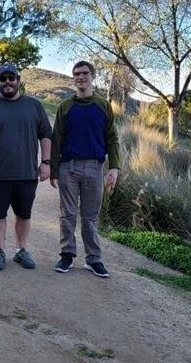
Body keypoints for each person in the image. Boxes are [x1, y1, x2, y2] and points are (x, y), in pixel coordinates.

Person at [0, 64, 52, 270]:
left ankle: (21, 250)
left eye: (11, 78)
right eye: (3, 79)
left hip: (26, 174)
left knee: (24, 214)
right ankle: (0, 251)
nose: (7, 82)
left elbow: (46, 135)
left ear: (19, 80)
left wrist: (46, 162)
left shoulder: (34, 106)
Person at [49, 60, 120, 278]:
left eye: (84, 73)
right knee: (67, 214)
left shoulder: (103, 106)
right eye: (77, 74)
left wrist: (114, 168)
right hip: (68, 168)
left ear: (92, 76)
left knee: (90, 217)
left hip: (94, 167)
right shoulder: (65, 107)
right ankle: (67, 255)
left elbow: (112, 138)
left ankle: (94, 259)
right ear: (73, 78)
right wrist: (53, 170)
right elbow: (57, 139)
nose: (80, 77)